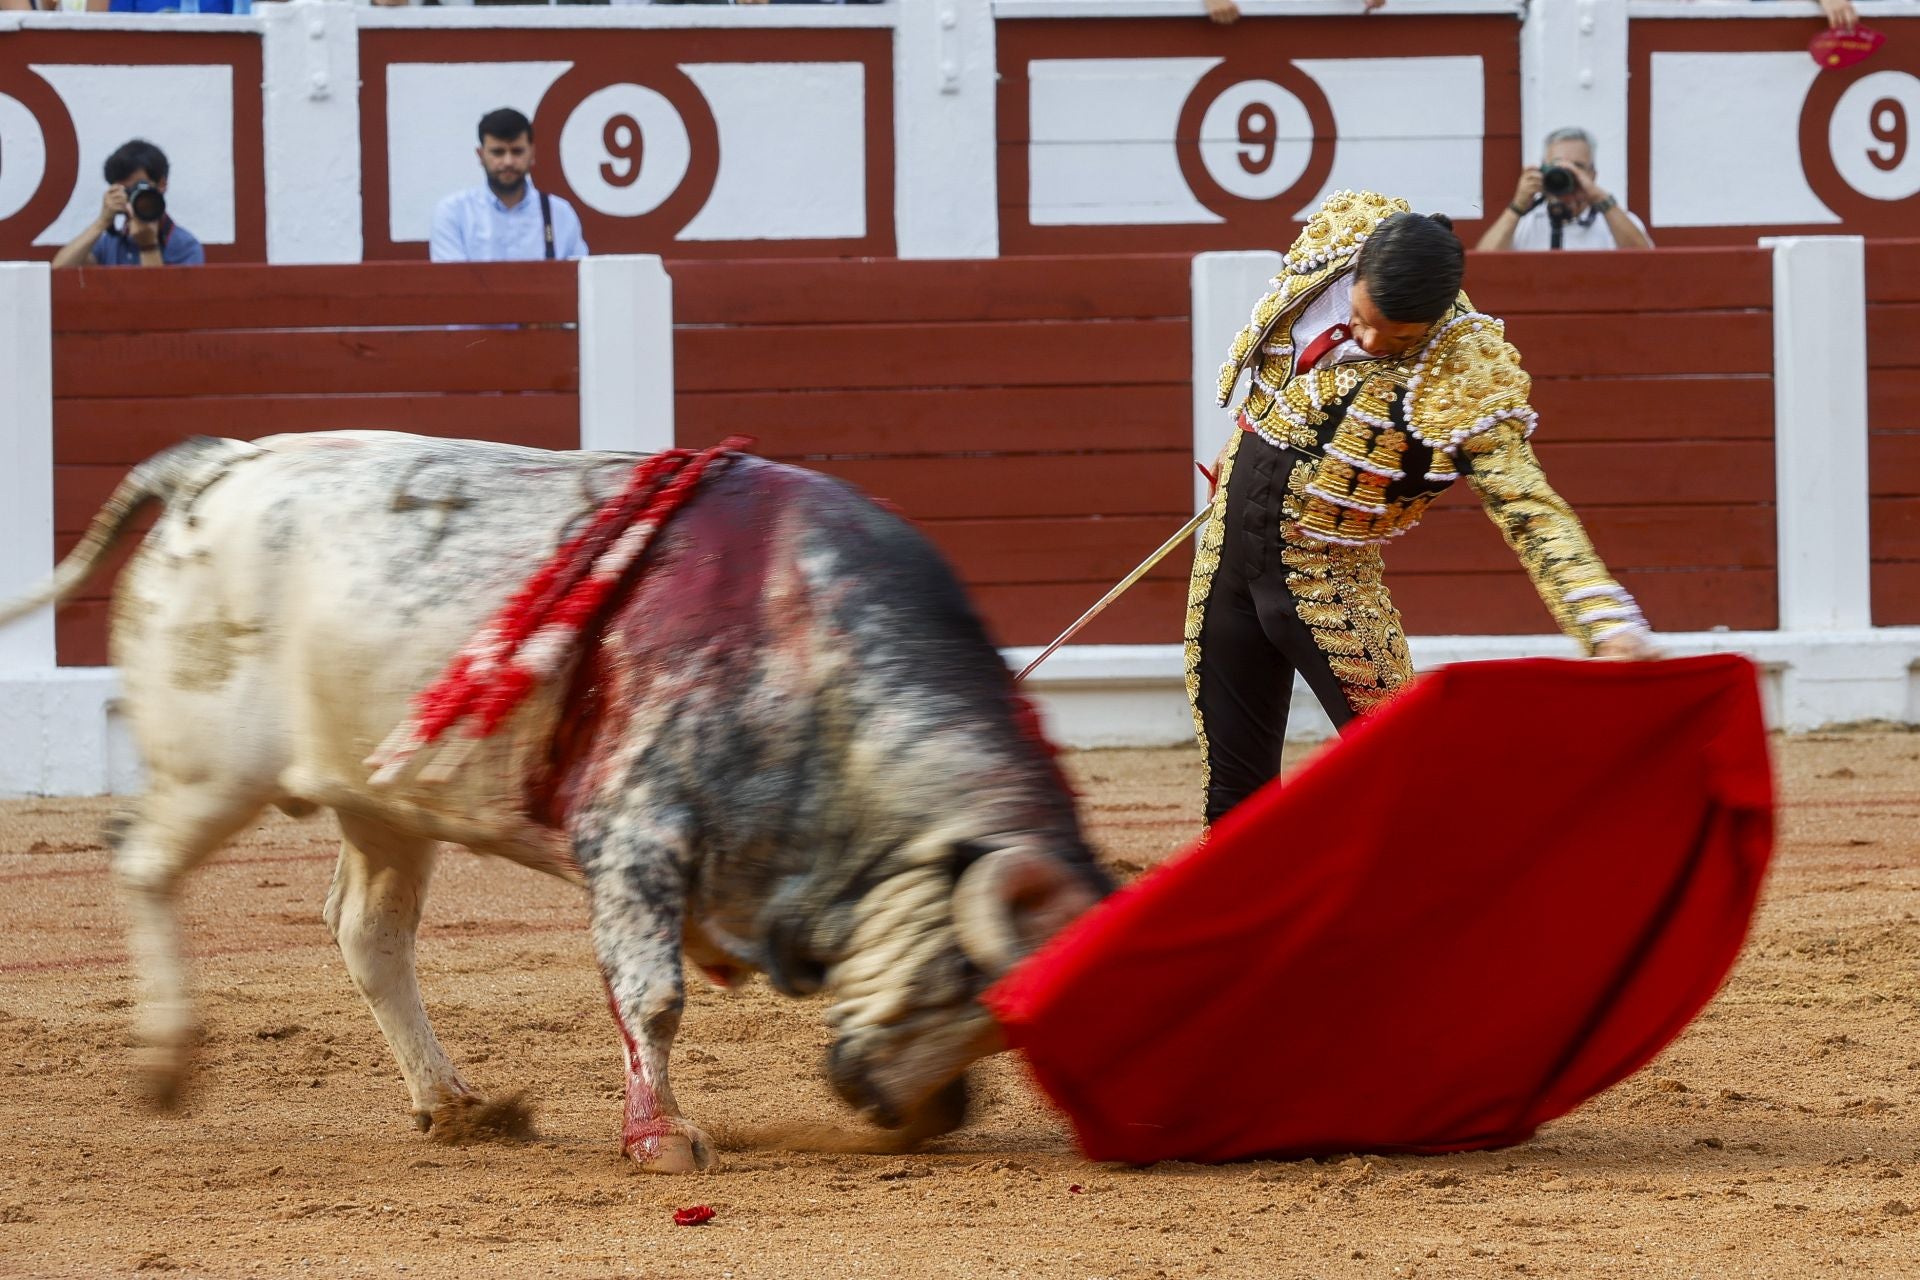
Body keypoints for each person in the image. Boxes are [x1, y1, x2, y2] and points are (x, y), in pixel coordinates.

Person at [1188, 189, 1658, 825]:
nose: (1370, 339)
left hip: (1328, 584)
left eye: (1396, 336)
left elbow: (1528, 506)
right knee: (1233, 794)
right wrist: (1239, 447)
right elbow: (1276, 377)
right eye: (1361, 317)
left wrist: (1607, 623)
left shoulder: (1466, 370)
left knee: (1412, 779)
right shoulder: (1343, 231)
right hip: (1226, 564)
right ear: (1355, 274)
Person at [429, 108, 588, 264]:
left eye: (517, 151)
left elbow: (580, 282)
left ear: (532, 154)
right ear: (481, 155)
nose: (508, 162)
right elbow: (452, 285)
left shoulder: (560, 214)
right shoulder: (454, 213)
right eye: (498, 152)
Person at [1476, 127, 1652, 252]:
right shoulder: (1525, 222)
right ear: (1542, 170)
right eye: (1557, 166)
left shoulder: (1615, 220)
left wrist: (1599, 197)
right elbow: (1483, 265)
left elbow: (1647, 262)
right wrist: (1517, 207)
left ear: (1592, 175)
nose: (1568, 173)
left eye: (1578, 166)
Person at [52, 139, 204, 269]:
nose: (134, 196)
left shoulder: (185, 247)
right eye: (126, 191)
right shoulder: (110, 242)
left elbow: (158, 301)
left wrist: (149, 247)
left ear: (162, 184)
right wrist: (102, 222)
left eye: (140, 187)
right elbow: (58, 272)